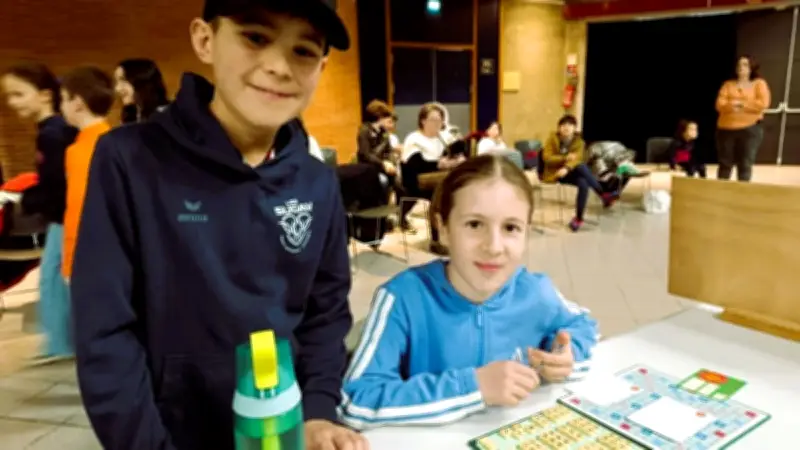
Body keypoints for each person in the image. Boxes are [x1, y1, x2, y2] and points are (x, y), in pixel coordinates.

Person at [70, 1, 367, 450]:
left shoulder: (317, 182)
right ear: (205, 40)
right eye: (255, 37)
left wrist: (319, 411)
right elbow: (105, 332)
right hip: (172, 432)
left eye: (303, 51)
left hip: (284, 428)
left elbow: (325, 314)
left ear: (320, 69)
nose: (279, 66)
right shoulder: (130, 160)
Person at [339, 155, 598, 430]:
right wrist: (474, 387)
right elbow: (356, 401)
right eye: (474, 224)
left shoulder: (537, 292)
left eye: (511, 228)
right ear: (442, 228)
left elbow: (583, 326)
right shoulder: (403, 298)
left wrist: (567, 356)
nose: (493, 247)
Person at [1, 62, 78, 361]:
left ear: (45, 95)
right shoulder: (53, 130)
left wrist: (23, 199)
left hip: (65, 216)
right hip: (62, 216)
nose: (12, 102)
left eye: (18, 94)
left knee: (53, 278)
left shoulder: (53, 133)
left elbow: (57, 183)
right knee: (53, 277)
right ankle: (61, 343)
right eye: (8, 96)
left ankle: (62, 344)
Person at [60, 66, 115, 284]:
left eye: (63, 99)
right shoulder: (118, 141)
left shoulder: (79, 151)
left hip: (92, 260)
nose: (61, 107)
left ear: (77, 103)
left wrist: (70, 264)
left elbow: (78, 210)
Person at [401, 103, 465, 253]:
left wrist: (456, 159)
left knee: (457, 180)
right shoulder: (414, 138)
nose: (438, 123)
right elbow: (416, 165)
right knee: (445, 183)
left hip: (439, 177)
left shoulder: (442, 138)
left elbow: (451, 155)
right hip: (417, 179)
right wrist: (440, 164)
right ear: (423, 121)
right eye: (433, 120)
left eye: (440, 120)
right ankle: (436, 240)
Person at [541, 115, 617, 232]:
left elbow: (578, 159)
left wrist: (566, 168)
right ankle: (603, 194)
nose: (566, 127)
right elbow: (547, 158)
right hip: (556, 173)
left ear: (574, 128)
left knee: (583, 180)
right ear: (559, 128)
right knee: (582, 172)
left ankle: (578, 218)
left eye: (570, 125)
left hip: (570, 171)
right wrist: (565, 158)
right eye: (563, 125)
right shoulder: (552, 140)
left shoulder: (579, 142)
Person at [356, 100, 413, 232]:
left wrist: (391, 163)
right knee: (383, 184)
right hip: (369, 169)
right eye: (385, 117)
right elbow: (365, 154)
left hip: (384, 168)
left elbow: (389, 152)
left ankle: (402, 218)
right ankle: (381, 220)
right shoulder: (364, 131)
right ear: (379, 117)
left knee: (402, 188)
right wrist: (383, 164)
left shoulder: (384, 133)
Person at [715, 55, 771, 182]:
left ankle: (742, 191)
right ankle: (721, 191)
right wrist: (732, 105)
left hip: (749, 129)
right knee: (725, 163)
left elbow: (762, 104)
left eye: (745, 65)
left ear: (752, 67)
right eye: (739, 65)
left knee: (745, 164)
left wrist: (741, 104)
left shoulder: (759, 84)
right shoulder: (728, 85)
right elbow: (719, 104)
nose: (741, 67)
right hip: (726, 129)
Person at [114, 58, 170, 124]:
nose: (117, 88)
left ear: (142, 82)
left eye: (123, 80)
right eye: (117, 82)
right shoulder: (130, 115)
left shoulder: (167, 115)